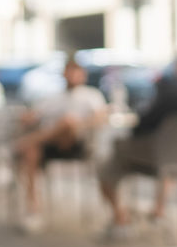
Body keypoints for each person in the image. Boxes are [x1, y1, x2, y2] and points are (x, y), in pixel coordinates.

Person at [97, 51, 177, 239]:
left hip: (162, 158)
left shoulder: (171, 97)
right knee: (170, 155)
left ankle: (121, 217)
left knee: (112, 157)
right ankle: (158, 210)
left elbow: (142, 125)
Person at [14, 57, 107, 231]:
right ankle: (33, 208)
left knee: (68, 122)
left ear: (82, 75)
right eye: (68, 72)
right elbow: (34, 115)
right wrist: (26, 117)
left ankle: (33, 139)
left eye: (75, 73)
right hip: (51, 145)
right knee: (31, 152)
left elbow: (102, 117)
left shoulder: (91, 95)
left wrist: (80, 123)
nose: (71, 76)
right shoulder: (53, 98)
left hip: (77, 144)